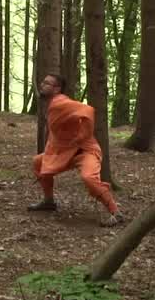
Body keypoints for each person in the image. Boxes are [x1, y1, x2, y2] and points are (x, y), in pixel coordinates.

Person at [29, 73, 122, 226]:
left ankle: (116, 213)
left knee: (89, 178)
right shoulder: (52, 104)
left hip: (86, 151)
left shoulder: (60, 102)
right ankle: (49, 201)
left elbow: (88, 110)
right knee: (38, 162)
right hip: (65, 153)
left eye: (47, 83)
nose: (42, 85)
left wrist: (82, 136)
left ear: (57, 89)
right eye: (43, 82)